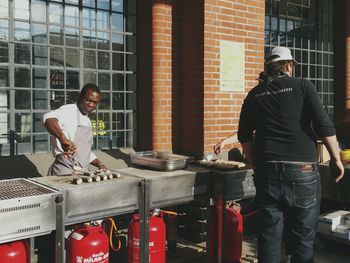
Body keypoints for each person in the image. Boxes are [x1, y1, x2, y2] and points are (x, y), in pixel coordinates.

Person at [237, 46, 344, 263]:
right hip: (302, 172)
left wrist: (256, 164)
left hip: (267, 172)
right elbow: (324, 125)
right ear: (288, 66)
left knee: (268, 237)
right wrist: (336, 159)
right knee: (302, 239)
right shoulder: (302, 85)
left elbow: (244, 136)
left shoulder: (254, 95)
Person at [43, 83, 107, 176]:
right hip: (65, 170)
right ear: (80, 97)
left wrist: (99, 163)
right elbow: (48, 119)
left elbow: (84, 152)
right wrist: (63, 139)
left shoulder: (87, 120)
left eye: (95, 102)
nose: (91, 105)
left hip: (83, 172)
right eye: (88, 100)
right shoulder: (68, 110)